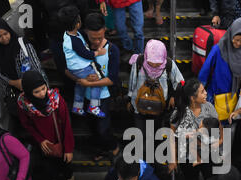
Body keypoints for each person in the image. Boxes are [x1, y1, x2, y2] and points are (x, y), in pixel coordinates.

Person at [17, 71, 75, 180]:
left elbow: (67, 125)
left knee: (65, 161)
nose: (42, 94)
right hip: (43, 142)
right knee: (49, 164)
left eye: (43, 89)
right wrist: (40, 139)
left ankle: (69, 177)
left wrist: (68, 148)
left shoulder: (56, 101)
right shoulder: (24, 104)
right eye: (36, 92)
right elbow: (26, 124)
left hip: (59, 139)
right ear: (28, 92)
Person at [0, 16, 48, 132]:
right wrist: (13, 82)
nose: (4, 38)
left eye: (5, 33)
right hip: (14, 93)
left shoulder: (22, 44)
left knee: (40, 116)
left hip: (34, 88)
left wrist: (39, 85)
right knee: (25, 121)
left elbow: (36, 65)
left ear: (9, 30)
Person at [198, 17, 241, 137]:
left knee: (230, 126)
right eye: (236, 39)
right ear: (231, 34)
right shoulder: (218, 49)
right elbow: (204, 72)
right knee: (214, 127)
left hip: (235, 94)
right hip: (217, 93)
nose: (238, 44)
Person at [77, 12, 121, 161]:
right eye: (92, 38)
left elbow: (112, 79)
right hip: (86, 95)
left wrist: (90, 83)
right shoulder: (81, 48)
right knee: (92, 126)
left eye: (99, 38)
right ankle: (101, 149)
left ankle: (113, 146)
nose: (96, 41)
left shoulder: (112, 50)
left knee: (103, 128)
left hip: (103, 96)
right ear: (85, 33)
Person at [168, 79, 221, 180]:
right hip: (187, 157)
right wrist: (173, 159)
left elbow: (219, 130)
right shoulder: (179, 113)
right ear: (192, 98)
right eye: (202, 92)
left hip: (208, 155)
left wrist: (216, 144)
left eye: (204, 90)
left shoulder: (209, 107)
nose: (206, 93)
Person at [128, 39, 184, 144]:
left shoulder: (169, 64)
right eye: (150, 62)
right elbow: (132, 82)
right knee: (140, 135)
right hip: (138, 107)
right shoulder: (139, 62)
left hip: (159, 108)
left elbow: (180, 82)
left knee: (156, 135)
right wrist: (129, 99)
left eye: (157, 63)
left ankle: (154, 156)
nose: (153, 65)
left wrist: (173, 96)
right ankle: (141, 157)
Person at [59, 5, 107, 117]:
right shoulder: (74, 40)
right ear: (77, 23)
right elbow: (86, 54)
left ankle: (77, 106)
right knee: (97, 81)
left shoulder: (68, 34)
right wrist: (98, 53)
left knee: (80, 86)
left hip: (74, 68)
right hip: (81, 68)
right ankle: (94, 106)